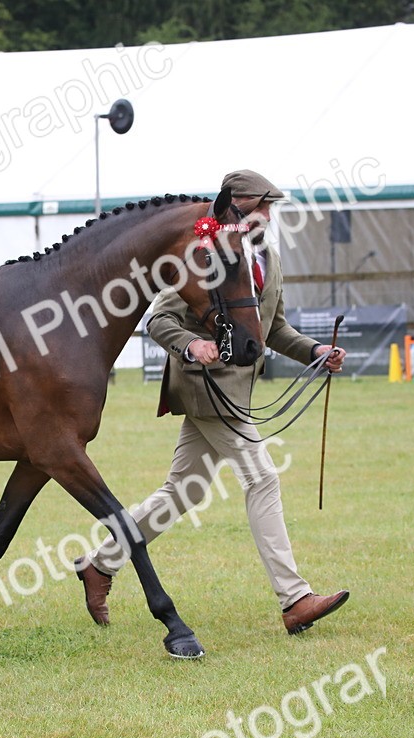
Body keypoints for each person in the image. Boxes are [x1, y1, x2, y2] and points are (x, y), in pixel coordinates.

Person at [75, 169, 350, 638]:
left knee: (183, 491)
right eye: (261, 206)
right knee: (262, 477)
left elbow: (273, 329)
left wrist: (315, 352)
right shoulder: (201, 253)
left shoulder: (268, 257)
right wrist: (191, 345)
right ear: (236, 207)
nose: (268, 215)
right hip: (205, 387)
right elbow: (159, 320)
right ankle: (295, 598)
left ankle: (100, 564)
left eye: (272, 207)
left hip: (237, 390)